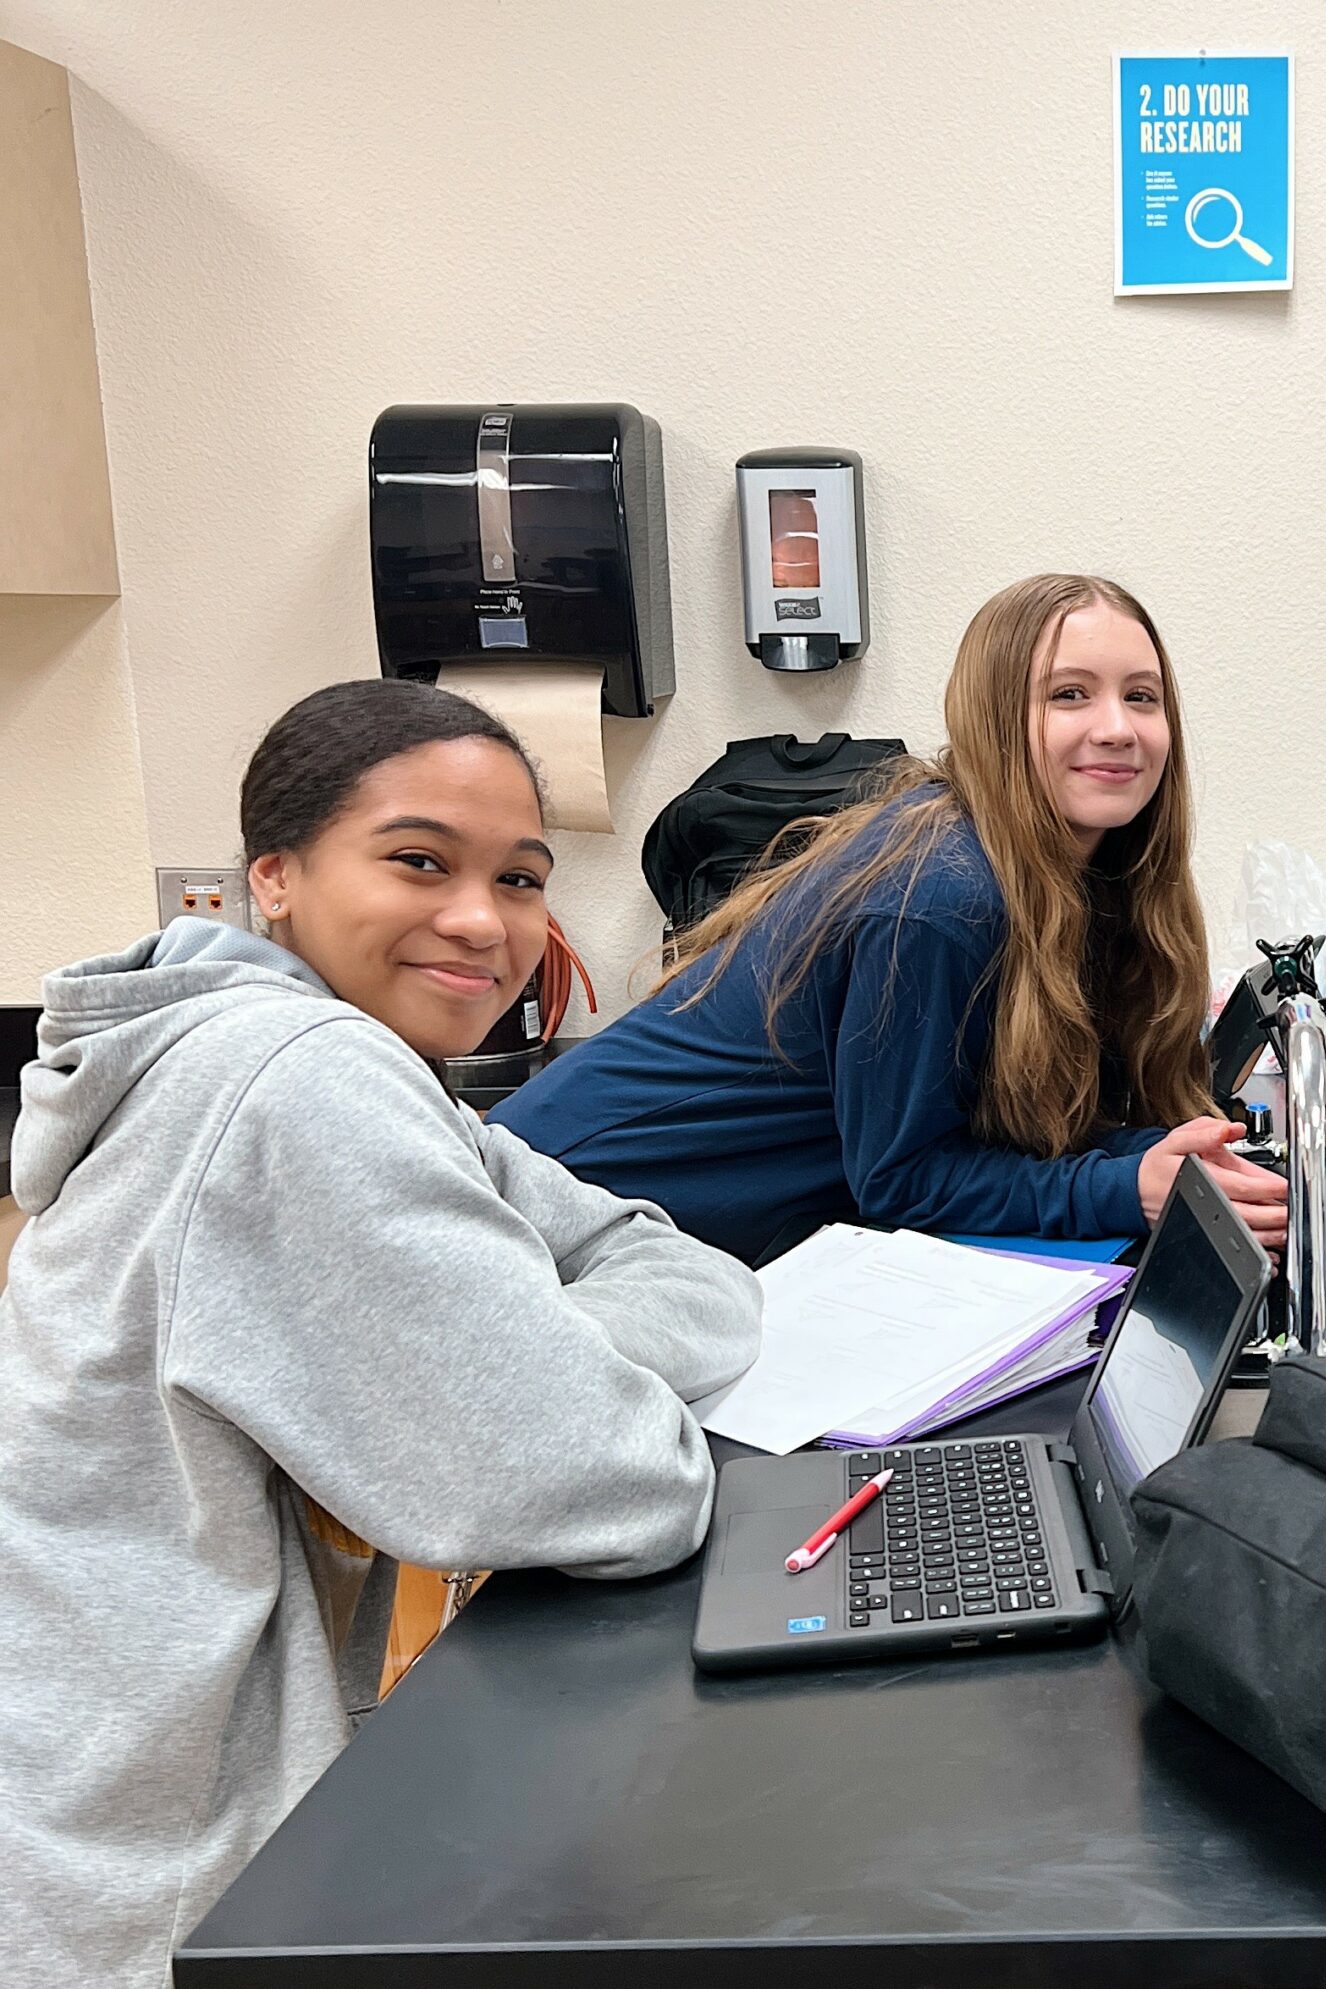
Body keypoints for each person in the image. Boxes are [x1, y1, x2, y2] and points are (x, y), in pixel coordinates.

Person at [0, 680, 762, 1989]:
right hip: (164, 1884)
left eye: (521, 878)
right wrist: (515, 1378)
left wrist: (517, 1349)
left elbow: (674, 1264)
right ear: (276, 876)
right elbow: (612, 1483)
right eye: (419, 861)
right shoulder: (299, 1082)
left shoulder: (340, 1063)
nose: (483, 920)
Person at [495, 574, 1283, 1264]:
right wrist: (1122, 1186)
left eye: (1140, 696)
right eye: (1068, 693)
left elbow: (1010, 1129)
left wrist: (1166, 1156)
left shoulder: (1088, 873)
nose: (1116, 727)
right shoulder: (939, 895)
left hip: (681, 1244)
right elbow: (903, 1180)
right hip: (547, 1216)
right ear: (997, 716)